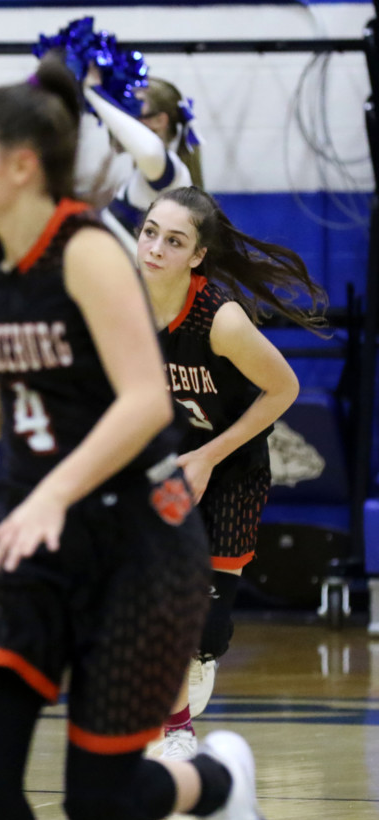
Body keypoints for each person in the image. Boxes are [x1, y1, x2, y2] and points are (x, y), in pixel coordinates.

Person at [0, 56, 266, 820]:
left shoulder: (86, 250)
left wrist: (54, 492)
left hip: (134, 550)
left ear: (21, 166)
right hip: (30, 543)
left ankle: (220, 781)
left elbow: (144, 404)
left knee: (99, 805)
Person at [138, 185, 327, 759]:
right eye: (149, 232)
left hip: (231, 470)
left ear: (196, 255)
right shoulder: (116, 304)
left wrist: (209, 455)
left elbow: (285, 388)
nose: (155, 248)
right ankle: (175, 733)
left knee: (206, 633)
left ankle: (194, 663)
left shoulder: (220, 321)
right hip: (164, 470)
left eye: (174, 241)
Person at [82, 66, 202, 251]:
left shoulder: (167, 168)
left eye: (133, 107)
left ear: (160, 121)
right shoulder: (144, 170)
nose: (124, 115)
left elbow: (149, 152)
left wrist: (92, 92)